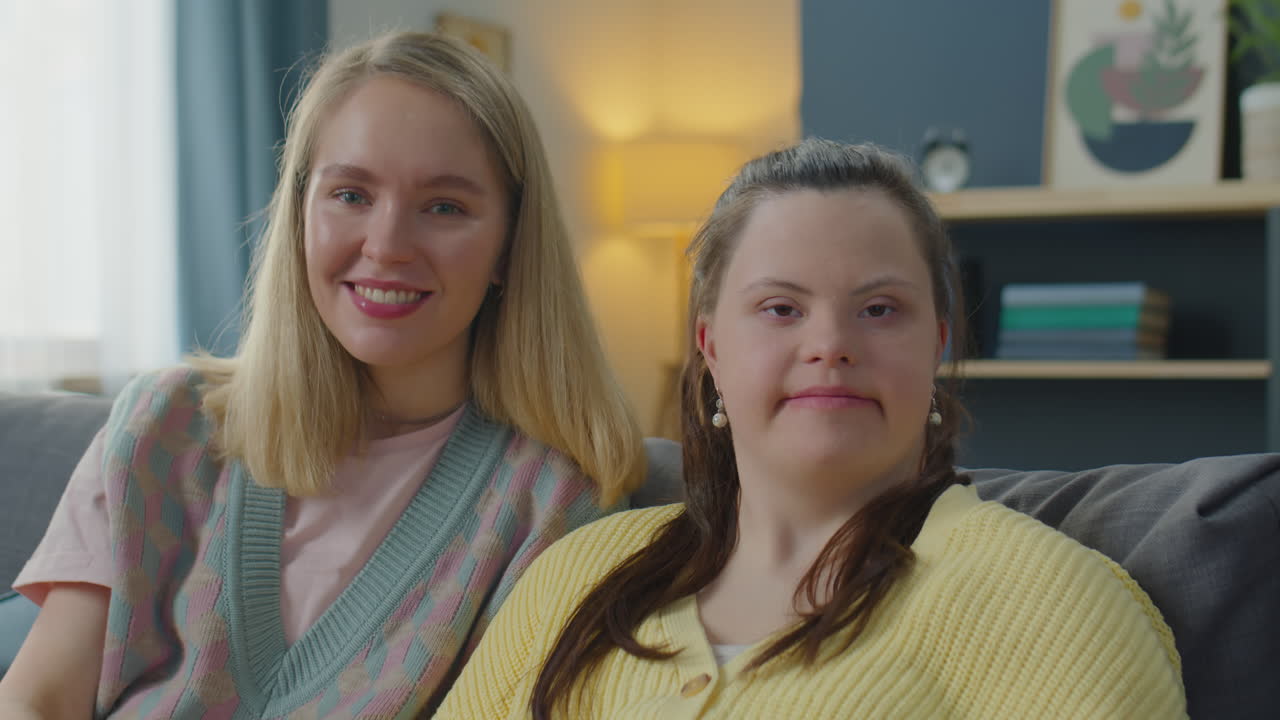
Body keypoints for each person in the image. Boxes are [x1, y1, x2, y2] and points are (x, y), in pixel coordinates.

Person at [0, 31, 643, 719]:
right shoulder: (163, 425)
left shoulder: (557, 502)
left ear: (509, 247)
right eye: (350, 195)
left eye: (445, 207)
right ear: (301, 214)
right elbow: (37, 700)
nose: (387, 245)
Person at [434, 139, 1188, 719]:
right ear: (711, 349)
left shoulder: (1049, 602)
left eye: (880, 308)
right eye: (781, 309)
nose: (831, 344)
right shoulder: (577, 574)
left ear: (938, 344)